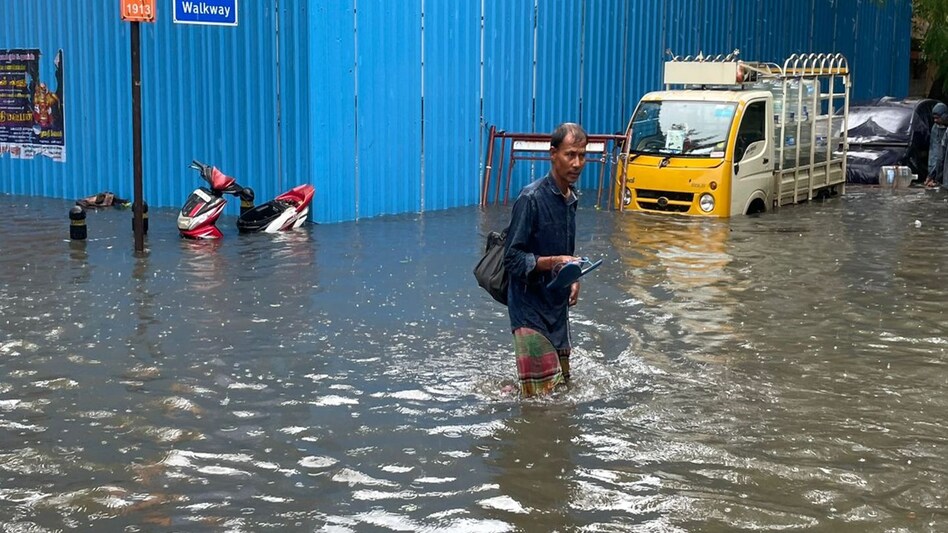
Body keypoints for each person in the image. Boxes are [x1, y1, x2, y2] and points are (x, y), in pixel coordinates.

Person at [503, 122, 587, 397]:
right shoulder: (531, 198)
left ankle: (509, 390)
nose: (577, 163)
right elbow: (512, 259)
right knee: (540, 402)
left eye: (582, 155)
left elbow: (566, 253)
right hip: (529, 310)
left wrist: (572, 277)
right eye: (570, 155)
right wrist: (553, 262)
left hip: (556, 307)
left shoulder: (570, 198)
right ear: (553, 154)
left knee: (562, 390)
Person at [924, 102, 947, 188]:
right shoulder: (936, 128)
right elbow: (934, 153)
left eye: (938, 118)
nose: (935, 121)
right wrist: (931, 174)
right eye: (934, 118)